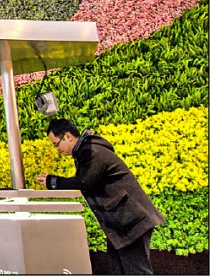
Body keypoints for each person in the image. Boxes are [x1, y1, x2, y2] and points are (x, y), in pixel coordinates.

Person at [36, 118, 165, 275]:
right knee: (119, 269)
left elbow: (85, 182)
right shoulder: (86, 150)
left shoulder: (92, 151)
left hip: (130, 220)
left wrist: (53, 181)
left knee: (136, 271)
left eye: (56, 144)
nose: (57, 149)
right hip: (122, 221)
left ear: (68, 136)